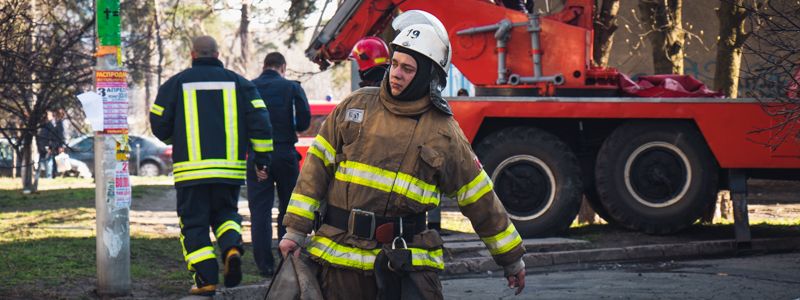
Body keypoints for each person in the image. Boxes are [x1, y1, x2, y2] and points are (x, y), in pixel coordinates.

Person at [279, 11, 526, 299]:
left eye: (408, 69)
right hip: (340, 259)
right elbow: (314, 171)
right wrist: (295, 230)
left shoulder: (445, 132)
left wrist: (511, 258)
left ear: (427, 76)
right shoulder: (355, 107)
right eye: (394, 64)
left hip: (408, 265)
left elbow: (479, 197)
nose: (396, 73)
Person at [149, 35, 274, 296]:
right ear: (218, 56)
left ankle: (206, 279)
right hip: (229, 172)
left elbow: (158, 122)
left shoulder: (175, 84)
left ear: (192, 55)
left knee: (194, 224)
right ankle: (230, 247)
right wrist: (261, 159)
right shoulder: (241, 83)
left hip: (190, 172)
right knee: (226, 215)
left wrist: (178, 138)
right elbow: (261, 121)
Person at [247, 52, 311, 277]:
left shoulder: (250, 87)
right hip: (285, 154)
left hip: (257, 157)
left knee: (260, 210)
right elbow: (304, 122)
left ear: (265, 66)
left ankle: (264, 265)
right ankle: (286, 259)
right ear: (282, 67)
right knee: (289, 209)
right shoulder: (291, 88)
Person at [36, 111, 64, 178]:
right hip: (45, 146)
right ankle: (42, 176)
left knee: (48, 162)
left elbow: (53, 136)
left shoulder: (51, 125)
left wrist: (51, 146)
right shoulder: (47, 125)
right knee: (45, 162)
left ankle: (48, 176)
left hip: (47, 146)